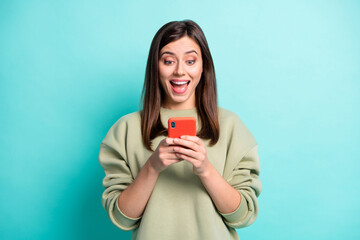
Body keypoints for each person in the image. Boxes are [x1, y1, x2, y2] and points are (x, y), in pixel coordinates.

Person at [99, 20, 261, 240]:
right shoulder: (126, 130)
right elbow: (123, 219)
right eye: (168, 61)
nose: (179, 71)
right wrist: (153, 166)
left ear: (203, 66)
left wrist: (205, 169)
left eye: (190, 61)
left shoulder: (231, 126)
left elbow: (243, 215)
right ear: (155, 67)